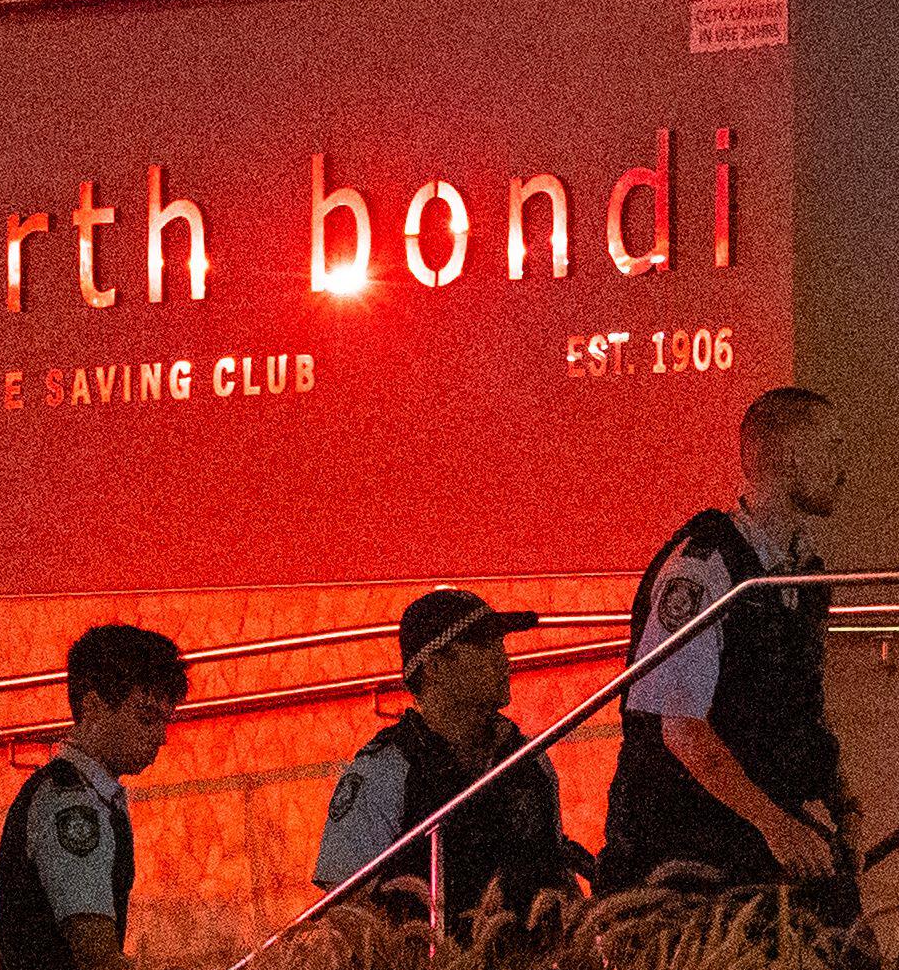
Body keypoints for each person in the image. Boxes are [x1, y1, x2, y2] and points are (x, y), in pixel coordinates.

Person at [598, 387, 857, 905]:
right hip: (682, 832)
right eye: (831, 448)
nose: (843, 469)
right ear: (790, 456)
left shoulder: (803, 571)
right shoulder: (705, 569)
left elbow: (803, 703)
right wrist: (778, 827)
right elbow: (680, 727)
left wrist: (842, 802)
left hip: (751, 824)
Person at [315, 588, 594, 931]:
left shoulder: (530, 761)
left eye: (501, 646)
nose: (503, 660)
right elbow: (343, 905)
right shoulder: (384, 771)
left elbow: (558, 875)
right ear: (433, 667)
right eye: (484, 646)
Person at [0, 623, 188, 970]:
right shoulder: (71, 804)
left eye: (165, 721)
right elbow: (93, 953)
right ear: (95, 707)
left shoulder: (90, 796)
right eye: (146, 717)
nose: (161, 737)